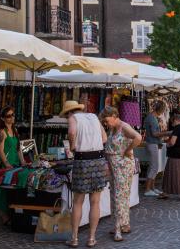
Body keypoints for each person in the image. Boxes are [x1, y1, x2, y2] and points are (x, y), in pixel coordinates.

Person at [62, 101, 109, 248]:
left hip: (82, 160)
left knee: (78, 201)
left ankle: (74, 238)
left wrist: (72, 145)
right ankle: (91, 238)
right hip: (99, 160)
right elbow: (105, 139)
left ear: (69, 112)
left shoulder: (73, 118)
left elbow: (71, 132)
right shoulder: (94, 117)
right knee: (95, 202)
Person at [102, 106, 142, 242]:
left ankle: (118, 228)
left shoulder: (124, 126)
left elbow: (138, 137)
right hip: (114, 165)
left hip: (122, 165)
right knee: (116, 195)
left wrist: (127, 150)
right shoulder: (113, 127)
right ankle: (123, 224)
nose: (106, 124)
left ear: (114, 115)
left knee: (120, 195)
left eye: (107, 121)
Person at [0, 106, 26, 225]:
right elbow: (0, 151)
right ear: (3, 118)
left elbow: (19, 149)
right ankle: (3, 214)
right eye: (9, 116)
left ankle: (12, 211)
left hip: (16, 163)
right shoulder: (1, 132)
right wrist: (6, 164)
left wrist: (22, 161)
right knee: (3, 189)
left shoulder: (15, 130)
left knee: (12, 189)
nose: (12, 117)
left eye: (13, 114)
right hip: (6, 165)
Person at [143, 100, 169, 197]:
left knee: (153, 167)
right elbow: (154, 133)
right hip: (152, 143)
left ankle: (152, 188)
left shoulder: (151, 117)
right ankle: (148, 189)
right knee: (154, 167)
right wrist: (167, 133)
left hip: (152, 143)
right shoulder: (152, 118)